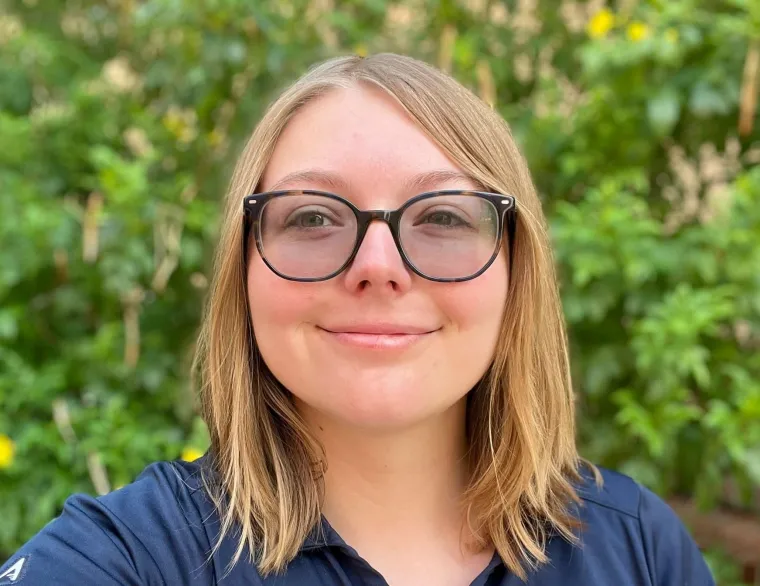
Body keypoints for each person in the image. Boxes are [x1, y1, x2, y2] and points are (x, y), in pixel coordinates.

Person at [0, 53, 715, 586]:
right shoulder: (132, 559)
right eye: (312, 216)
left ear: (516, 270)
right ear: (242, 268)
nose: (378, 263)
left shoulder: (637, 551)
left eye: (441, 216)